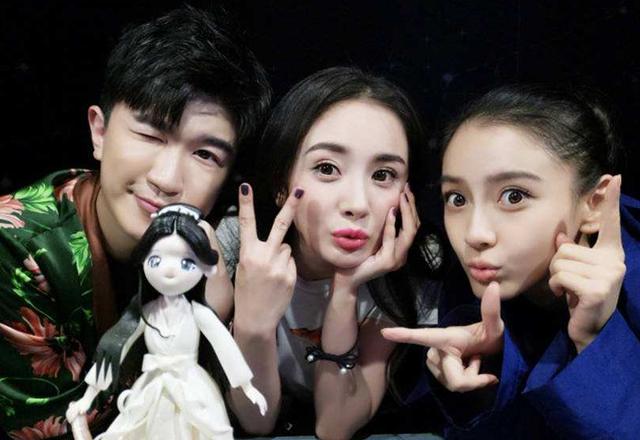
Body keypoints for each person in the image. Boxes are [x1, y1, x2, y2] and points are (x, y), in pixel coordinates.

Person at [0, 7, 270, 438]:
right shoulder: (18, 246)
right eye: (150, 135)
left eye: (205, 154)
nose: (167, 179)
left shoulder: (218, 248)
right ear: (99, 132)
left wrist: (227, 312)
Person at [383, 84, 640, 439]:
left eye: (514, 196)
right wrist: (491, 370)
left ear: (594, 203)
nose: (475, 233)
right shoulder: (475, 285)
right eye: (457, 198)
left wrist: (595, 339)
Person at [214, 66, 441, 438]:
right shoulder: (239, 244)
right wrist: (253, 326)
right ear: (281, 184)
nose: (357, 204)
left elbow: (335, 427)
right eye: (326, 168)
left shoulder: (409, 270)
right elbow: (257, 420)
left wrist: (346, 291)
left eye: (383, 175)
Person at [65, 204, 266, 440]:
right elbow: (116, 349)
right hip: (152, 390)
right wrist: (88, 398)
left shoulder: (198, 314)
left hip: (192, 391)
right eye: (156, 260)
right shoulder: (145, 314)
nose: (170, 271)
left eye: (186, 263)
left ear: (206, 267)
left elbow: (224, 346)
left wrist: (247, 386)